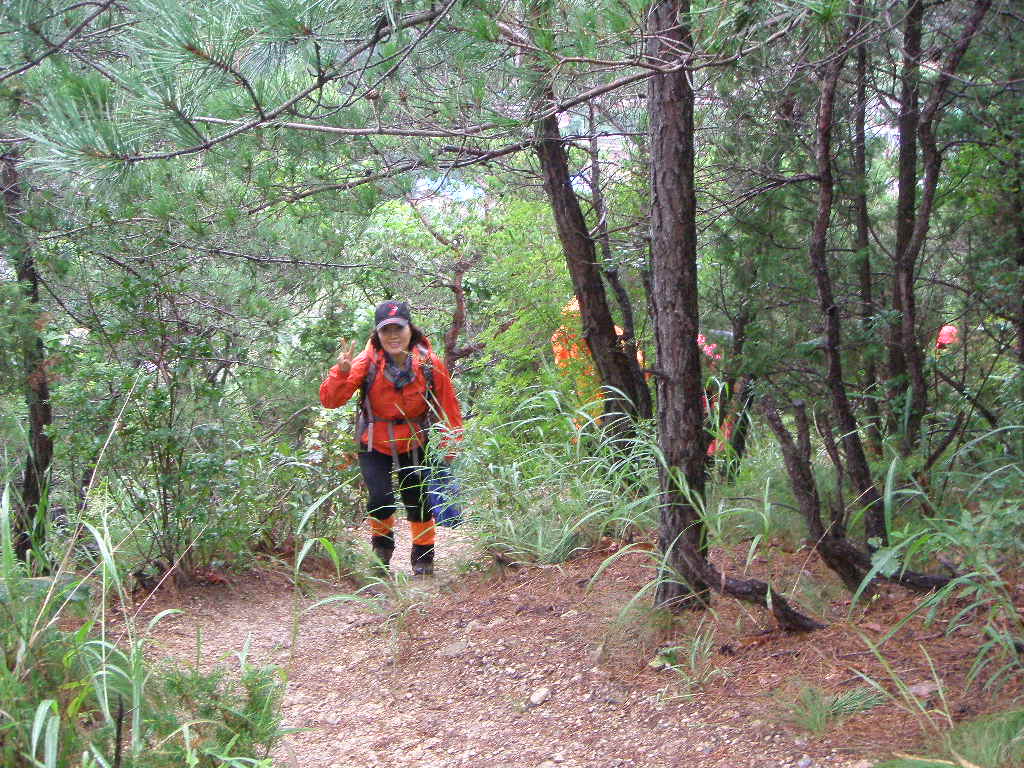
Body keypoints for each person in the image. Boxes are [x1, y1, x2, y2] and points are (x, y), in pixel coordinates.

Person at [319, 301, 463, 576]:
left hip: (414, 440)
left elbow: (448, 406)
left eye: (399, 328)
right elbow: (330, 401)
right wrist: (342, 373)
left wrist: (450, 443)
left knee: (417, 499)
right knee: (380, 498)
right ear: (378, 334)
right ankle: (381, 555)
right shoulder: (365, 362)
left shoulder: (429, 364)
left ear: (411, 330)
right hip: (374, 442)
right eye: (387, 330)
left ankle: (424, 557)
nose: (393, 336)